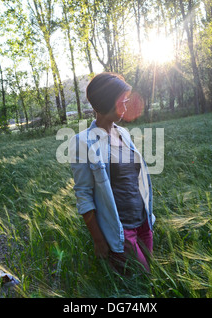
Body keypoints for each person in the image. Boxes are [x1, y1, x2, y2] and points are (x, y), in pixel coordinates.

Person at [69, 72, 155, 274]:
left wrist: (147, 217)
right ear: (108, 103)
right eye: (123, 102)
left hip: (143, 221)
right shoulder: (82, 142)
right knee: (142, 278)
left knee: (152, 274)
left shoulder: (124, 134)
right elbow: (83, 195)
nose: (127, 106)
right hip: (120, 230)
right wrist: (99, 241)